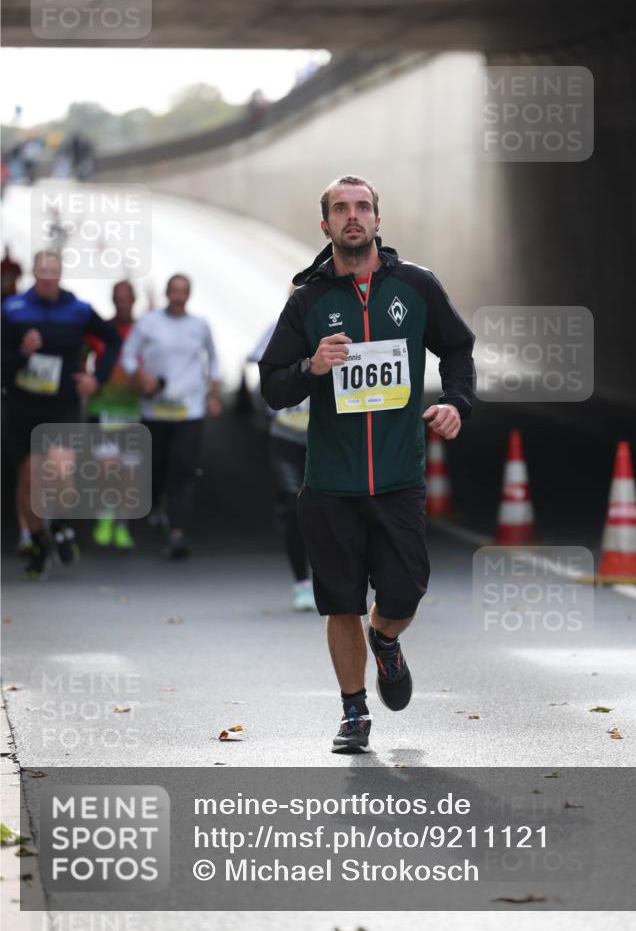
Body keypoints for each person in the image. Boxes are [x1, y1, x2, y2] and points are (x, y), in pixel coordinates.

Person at [260, 175, 475, 753]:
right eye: (340, 209)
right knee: (340, 602)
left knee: (404, 593)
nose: (352, 217)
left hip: (399, 476)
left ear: (378, 219)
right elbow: (271, 387)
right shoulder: (307, 301)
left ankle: (385, 639)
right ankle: (354, 713)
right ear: (325, 224)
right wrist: (310, 367)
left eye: (362, 207)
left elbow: (456, 347)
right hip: (330, 481)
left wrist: (456, 402)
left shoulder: (416, 286)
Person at [1, 250, 122, 579]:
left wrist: (96, 379)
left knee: (61, 470)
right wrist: (21, 353)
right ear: (34, 273)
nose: (48, 276)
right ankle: (38, 540)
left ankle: (62, 525)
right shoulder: (12, 310)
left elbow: (112, 340)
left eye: (54, 270)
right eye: (42, 270)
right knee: (29, 479)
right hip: (23, 406)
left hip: (62, 404)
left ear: (61, 273)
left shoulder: (78, 310)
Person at [121, 274, 222, 559]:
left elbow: (213, 361)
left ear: (189, 295)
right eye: (174, 291)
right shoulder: (149, 323)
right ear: (166, 293)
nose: (178, 297)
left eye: (183, 292)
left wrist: (213, 394)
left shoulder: (200, 326)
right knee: (156, 467)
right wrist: (142, 376)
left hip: (189, 411)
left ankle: (177, 531)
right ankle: (155, 505)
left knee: (184, 469)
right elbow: (128, 355)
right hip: (154, 409)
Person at [249, 319, 315, 611]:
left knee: (328, 512)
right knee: (293, 507)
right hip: (286, 436)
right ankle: (302, 583)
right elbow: (256, 358)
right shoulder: (281, 327)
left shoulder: (339, 320)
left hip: (326, 439)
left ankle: (329, 578)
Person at [85, 280, 141, 550]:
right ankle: (104, 518)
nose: (122, 302)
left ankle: (122, 525)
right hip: (103, 408)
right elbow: (76, 355)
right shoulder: (101, 331)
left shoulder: (144, 331)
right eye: (117, 297)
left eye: (126, 297)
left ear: (134, 299)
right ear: (112, 299)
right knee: (108, 469)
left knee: (129, 473)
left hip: (133, 409)